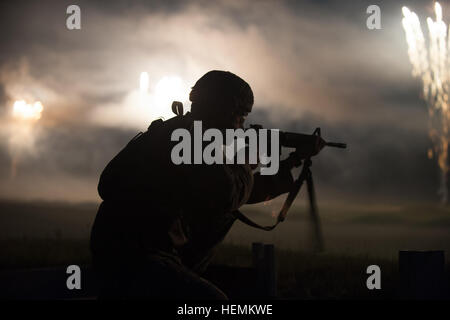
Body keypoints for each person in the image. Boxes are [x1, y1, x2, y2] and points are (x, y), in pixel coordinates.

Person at [90, 70, 324, 299]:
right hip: (137, 258)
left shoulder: (178, 131)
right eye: (240, 118)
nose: (241, 128)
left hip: (131, 253)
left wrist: (292, 161)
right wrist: (245, 162)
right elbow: (228, 194)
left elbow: (235, 192)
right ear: (223, 110)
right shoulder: (189, 140)